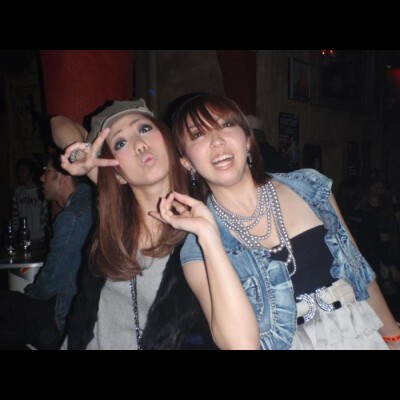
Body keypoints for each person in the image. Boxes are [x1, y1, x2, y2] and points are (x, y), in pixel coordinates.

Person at [151, 93, 400, 350]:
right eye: (198, 135)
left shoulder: (309, 186)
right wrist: (208, 236)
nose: (217, 141)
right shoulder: (198, 248)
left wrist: (394, 337)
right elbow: (239, 345)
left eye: (226, 124)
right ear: (186, 162)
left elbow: (358, 272)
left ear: (248, 139)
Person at [53, 99, 214, 350]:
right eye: (121, 143)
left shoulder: (204, 221)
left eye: (145, 128)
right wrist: (82, 155)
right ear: (117, 173)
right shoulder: (117, 216)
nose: (139, 144)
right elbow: (57, 123)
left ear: (167, 139)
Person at [0, 153, 94, 349]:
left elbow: (50, 284)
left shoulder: (71, 217)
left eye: (46, 171)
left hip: (66, 317)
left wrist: (30, 292)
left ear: (63, 177)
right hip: (83, 311)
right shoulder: (90, 204)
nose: (41, 178)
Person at [12, 158, 48, 242]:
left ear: (31, 173)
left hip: (39, 237)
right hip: (23, 237)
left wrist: (43, 234)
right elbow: (15, 215)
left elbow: (45, 215)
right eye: (19, 171)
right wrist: (16, 233)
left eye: (23, 171)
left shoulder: (41, 191)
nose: (20, 174)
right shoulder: (18, 192)